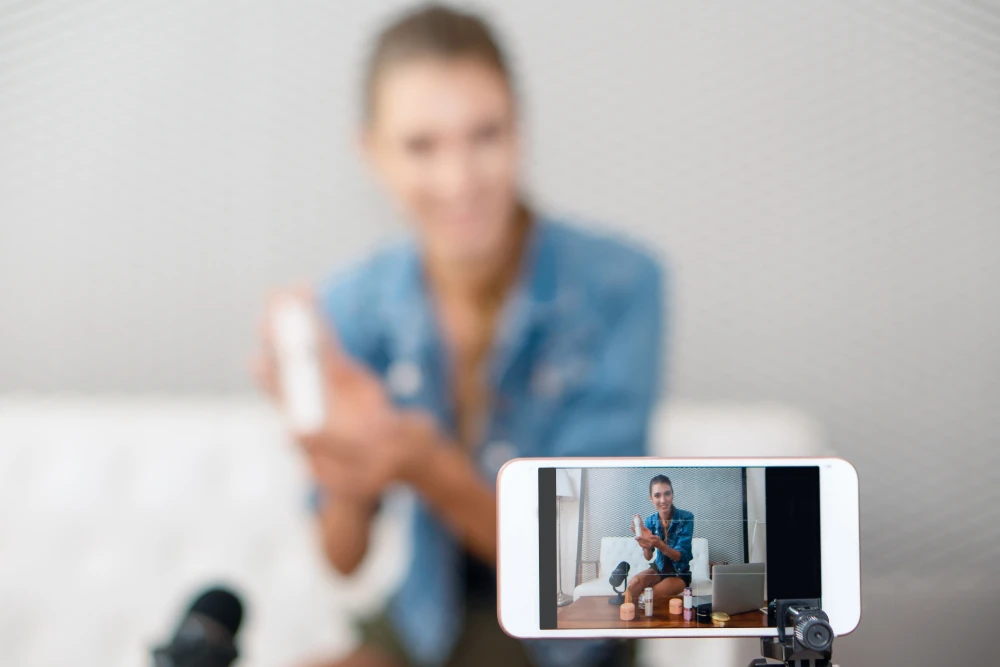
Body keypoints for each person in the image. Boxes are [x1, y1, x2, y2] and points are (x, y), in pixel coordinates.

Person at [254, 4, 666, 667]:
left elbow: (587, 570)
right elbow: (343, 558)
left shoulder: (620, 285)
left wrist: (425, 465)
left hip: (566, 637)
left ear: (519, 130)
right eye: (421, 145)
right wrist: (344, 463)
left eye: (485, 135)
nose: (459, 180)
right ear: (372, 154)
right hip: (428, 615)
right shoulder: (351, 303)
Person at [627, 475, 694, 601]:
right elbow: (648, 557)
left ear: (672, 495)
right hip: (659, 569)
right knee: (634, 584)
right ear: (651, 499)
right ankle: (627, 612)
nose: (663, 500)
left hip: (679, 573)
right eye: (657, 495)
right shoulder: (650, 521)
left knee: (650, 595)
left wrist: (660, 545)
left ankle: (641, 612)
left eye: (667, 494)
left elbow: (679, 556)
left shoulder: (686, 518)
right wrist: (646, 546)